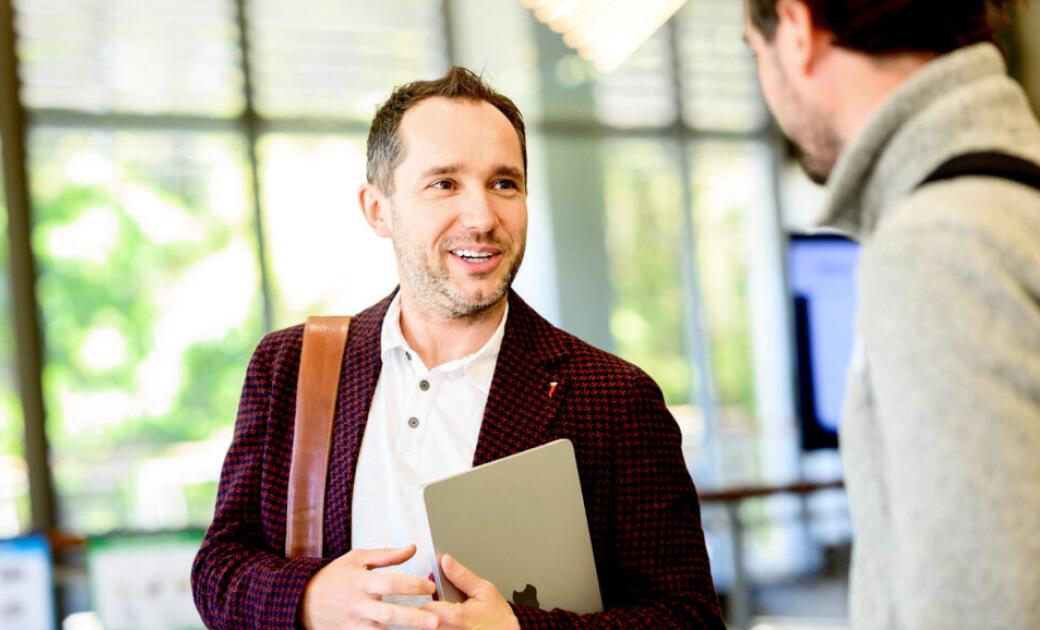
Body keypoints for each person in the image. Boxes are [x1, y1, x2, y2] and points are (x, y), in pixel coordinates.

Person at [191, 66, 723, 629]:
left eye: (504, 183)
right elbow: (218, 569)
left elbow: (688, 619)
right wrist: (308, 597)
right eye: (444, 183)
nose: (482, 217)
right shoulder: (292, 367)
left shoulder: (614, 398)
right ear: (378, 210)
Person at [743, 0, 1040, 627]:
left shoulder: (934, 246)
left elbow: (979, 605)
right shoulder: (1012, 194)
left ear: (795, 30)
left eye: (755, 54)